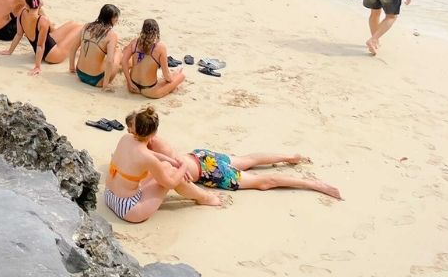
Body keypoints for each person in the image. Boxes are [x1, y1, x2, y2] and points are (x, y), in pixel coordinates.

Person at [134, 117, 342, 198]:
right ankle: (290, 157)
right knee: (247, 159)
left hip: (210, 171)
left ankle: (314, 184)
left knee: (264, 183)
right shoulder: (155, 142)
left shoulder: (146, 150)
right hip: (201, 156)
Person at [101, 107, 221, 223]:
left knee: (166, 166)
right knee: (172, 173)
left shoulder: (126, 139)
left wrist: (172, 161)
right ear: (154, 133)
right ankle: (204, 198)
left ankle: (203, 196)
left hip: (109, 196)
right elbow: (171, 183)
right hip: (128, 209)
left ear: (134, 128)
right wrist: (183, 166)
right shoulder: (147, 159)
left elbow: (147, 153)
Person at [0, 0, 83, 76]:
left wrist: (9, 51)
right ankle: (83, 48)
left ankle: (79, 47)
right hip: (52, 55)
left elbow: (19, 35)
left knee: (73, 24)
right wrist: (37, 67)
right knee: (80, 28)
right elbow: (40, 46)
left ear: (26, 5)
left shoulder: (21, 12)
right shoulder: (42, 20)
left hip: (46, 45)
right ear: (38, 4)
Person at [120, 19, 184, 98]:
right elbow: (166, 76)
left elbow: (123, 61)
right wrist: (173, 79)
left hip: (132, 86)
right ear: (156, 32)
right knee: (181, 76)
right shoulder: (160, 48)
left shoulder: (135, 42)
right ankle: (172, 87)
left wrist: (129, 82)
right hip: (149, 90)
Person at [70, 4, 122, 88]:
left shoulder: (86, 26)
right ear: (111, 18)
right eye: (116, 17)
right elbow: (109, 61)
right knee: (118, 52)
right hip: (97, 79)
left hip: (80, 73)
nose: (117, 19)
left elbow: (73, 47)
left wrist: (71, 68)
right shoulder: (111, 35)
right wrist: (105, 84)